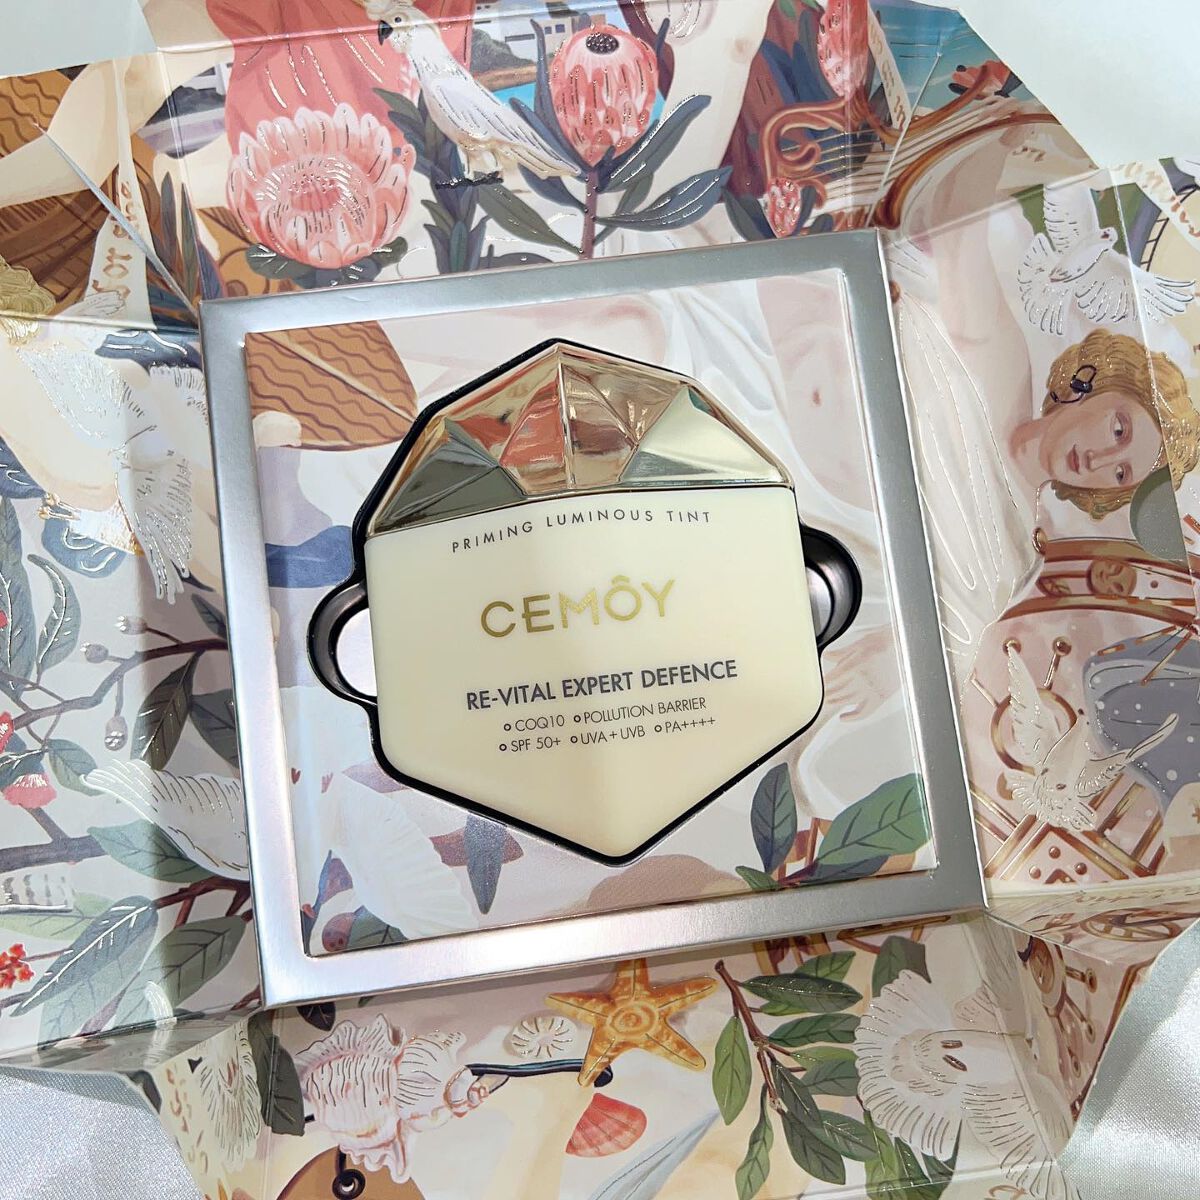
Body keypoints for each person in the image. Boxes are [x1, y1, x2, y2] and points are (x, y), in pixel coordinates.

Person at [886, 124, 1200, 692]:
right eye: (1120, 429)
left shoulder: (1012, 557)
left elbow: (930, 646)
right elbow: (958, 222)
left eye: (1123, 474)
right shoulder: (1002, 361)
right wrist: (1002, 132)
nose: (1103, 459)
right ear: (1093, 384)